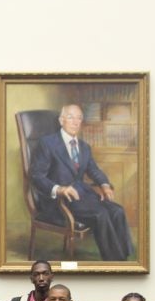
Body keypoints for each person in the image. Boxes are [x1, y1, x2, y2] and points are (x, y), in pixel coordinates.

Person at [30, 104, 134, 261]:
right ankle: (114, 262)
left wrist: (104, 185)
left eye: (79, 118)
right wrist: (59, 189)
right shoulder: (47, 143)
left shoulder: (84, 147)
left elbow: (94, 170)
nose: (75, 122)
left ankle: (125, 260)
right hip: (59, 201)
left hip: (83, 195)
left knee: (118, 211)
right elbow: (36, 176)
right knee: (101, 214)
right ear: (61, 120)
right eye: (71, 117)